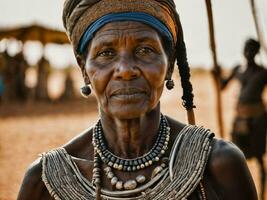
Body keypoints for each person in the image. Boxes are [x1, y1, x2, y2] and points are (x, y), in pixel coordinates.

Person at [18, 0, 257, 199]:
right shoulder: (43, 182)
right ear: (83, 68)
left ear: (170, 63)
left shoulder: (219, 166)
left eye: (145, 50)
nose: (125, 69)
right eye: (106, 53)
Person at [216, 38, 267, 199]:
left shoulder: (263, 72)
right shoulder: (238, 70)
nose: (248, 53)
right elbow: (222, 86)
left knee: (259, 158)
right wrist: (216, 73)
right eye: (246, 49)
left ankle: (262, 194)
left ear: (257, 52)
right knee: (235, 155)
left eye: (252, 50)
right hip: (239, 120)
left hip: (258, 120)